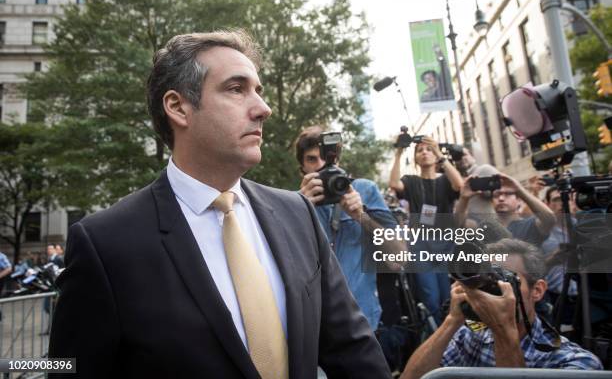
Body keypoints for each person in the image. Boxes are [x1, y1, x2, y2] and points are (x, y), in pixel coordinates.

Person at [49, 30, 390, 379]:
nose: (263, 108)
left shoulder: (297, 214)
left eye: (258, 90)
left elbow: (353, 352)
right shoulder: (104, 243)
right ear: (178, 107)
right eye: (236, 88)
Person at [401, 238, 602, 379]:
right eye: (488, 280)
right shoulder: (470, 336)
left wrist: (502, 329)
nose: (492, 289)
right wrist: (452, 320)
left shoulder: (575, 363)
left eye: (504, 278)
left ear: (537, 290)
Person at [296, 126, 404, 330]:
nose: (320, 166)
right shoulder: (294, 202)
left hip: (362, 317)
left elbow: (399, 258)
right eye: (311, 159)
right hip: (317, 322)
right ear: (302, 167)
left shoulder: (365, 190)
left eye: (325, 158)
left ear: (336, 159)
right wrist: (301, 210)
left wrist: (361, 216)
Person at [389, 136, 463, 323]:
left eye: (428, 149)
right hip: (420, 245)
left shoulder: (445, 180)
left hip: (445, 243)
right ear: (415, 159)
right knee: (430, 297)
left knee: (449, 294)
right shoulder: (411, 180)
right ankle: (438, 336)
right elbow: (393, 184)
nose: (424, 153)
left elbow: (460, 185)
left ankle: (453, 335)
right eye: (420, 150)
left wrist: (439, 153)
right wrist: (399, 151)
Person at [455, 172, 555, 246]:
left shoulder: (530, 225)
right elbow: (458, 227)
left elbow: (550, 219)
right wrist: (464, 198)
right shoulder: (485, 229)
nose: (501, 198)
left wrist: (520, 190)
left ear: (519, 200)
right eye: (496, 195)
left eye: (508, 194)